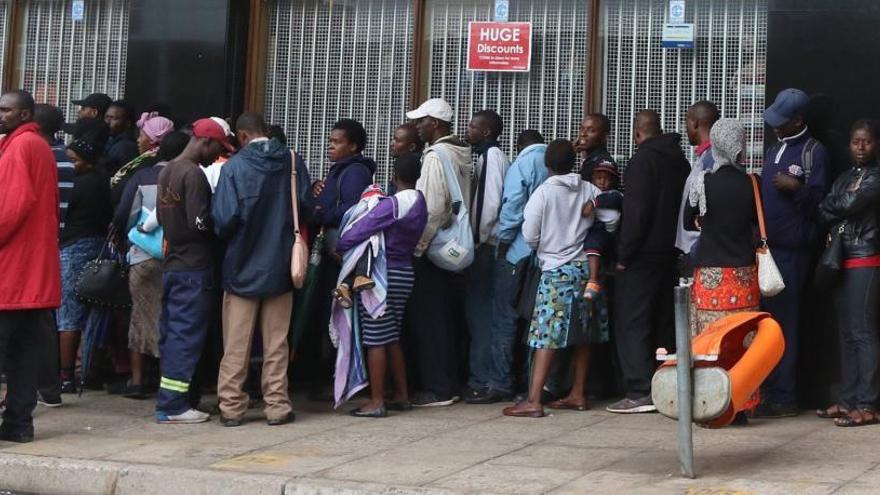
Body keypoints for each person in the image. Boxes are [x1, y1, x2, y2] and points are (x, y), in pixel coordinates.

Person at [502, 139, 602, 418]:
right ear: (575, 163)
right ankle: (578, 393)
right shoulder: (590, 189)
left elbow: (530, 233)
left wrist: (546, 246)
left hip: (555, 270)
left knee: (545, 336)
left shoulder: (543, 194)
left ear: (547, 165)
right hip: (585, 269)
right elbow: (609, 219)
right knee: (584, 332)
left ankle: (534, 399)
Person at [212, 112, 297, 427]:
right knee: (277, 342)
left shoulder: (233, 168)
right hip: (281, 265)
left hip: (242, 266)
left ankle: (232, 407)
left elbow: (223, 220)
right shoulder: (291, 161)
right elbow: (302, 204)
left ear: (243, 135)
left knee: (236, 342)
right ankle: (277, 405)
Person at [607, 110, 689, 414]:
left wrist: (623, 256)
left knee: (632, 320)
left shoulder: (643, 160)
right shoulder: (679, 161)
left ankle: (639, 389)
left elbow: (637, 213)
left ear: (637, 132)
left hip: (641, 255)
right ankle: (664, 383)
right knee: (663, 320)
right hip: (670, 251)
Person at [336, 153, 428, 417]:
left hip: (381, 276)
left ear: (394, 176)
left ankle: (376, 401)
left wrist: (340, 243)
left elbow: (362, 228)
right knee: (392, 337)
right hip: (405, 273)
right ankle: (402, 395)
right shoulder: (420, 202)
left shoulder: (393, 204)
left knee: (375, 338)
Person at [155, 117, 234, 424]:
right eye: (218, 148)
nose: (218, 155)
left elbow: (165, 219)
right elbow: (199, 223)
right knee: (186, 336)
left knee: (173, 333)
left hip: (173, 264)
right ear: (205, 141)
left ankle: (176, 399)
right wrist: (220, 219)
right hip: (194, 268)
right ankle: (174, 404)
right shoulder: (194, 175)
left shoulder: (168, 171)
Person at [757, 88, 829, 418]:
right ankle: (768, 388)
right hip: (768, 251)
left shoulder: (815, 152)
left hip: (794, 253)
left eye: (782, 122)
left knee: (785, 324)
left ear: (797, 120)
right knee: (768, 324)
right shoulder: (773, 150)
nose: (776, 127)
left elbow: (821, 204)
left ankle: (783, 395)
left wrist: (796, 188)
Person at [0, 90, 61, 443]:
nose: (1, 114)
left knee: (16, 354)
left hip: (12, 274)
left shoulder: (20, 147)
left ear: (25, 115)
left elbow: (10, 206)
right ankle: (18, 424)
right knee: (23, 357)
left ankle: (17, 423)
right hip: (32, 276)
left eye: (7, 110)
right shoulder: (37, 146)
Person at [404, 98, 473, 407]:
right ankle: (450, 382)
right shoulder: (461, 153)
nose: (417, 126)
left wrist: (417, 247)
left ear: (435, 124)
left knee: (430, 319)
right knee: (446, 316)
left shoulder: (435, 156)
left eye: (422, 120)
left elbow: (431, 208)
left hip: (434, 248)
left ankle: (437, 387)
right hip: (454, 249)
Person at [112, 131, 190, 399]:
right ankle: (165, 380)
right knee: (173, 318)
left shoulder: (142, 177)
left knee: (140, 316)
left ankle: (136, 380)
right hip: (179, 258)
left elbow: (124, 214)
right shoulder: (191, 176)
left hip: (143, 257)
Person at [816, 119, 880, 427]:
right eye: (856, 141)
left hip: (866, 258)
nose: (861, 147)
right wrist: (838, 204)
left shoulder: (877, 177)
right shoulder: (843, 176)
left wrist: (837, 204)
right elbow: (823, 208)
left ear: (875, 144)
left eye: (867, 141)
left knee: (863, 333)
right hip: (840, 260)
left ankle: (867, 403)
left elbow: (850, 202)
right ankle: (849, 399)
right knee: (846, 333)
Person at [480, 130, 547, 404]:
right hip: (542, 256)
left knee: (505, 320)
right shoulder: (550, 161)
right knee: (533, 321)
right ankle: (528, 381)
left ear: (519, 145)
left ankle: (500, 382)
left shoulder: (522, 163)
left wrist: (504, 243)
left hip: (516, 253)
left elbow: (512, 207)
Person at [683, 119, 759, 335]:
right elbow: (757, 222)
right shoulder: (753, 183)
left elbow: (686, 221)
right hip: (744, 275)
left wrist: (705, 223)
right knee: (743, 341)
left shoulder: (702, 182)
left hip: (710, 277)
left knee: (710, 342)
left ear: (715, 145)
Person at [56, 132, 112, 394]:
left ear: (87, 162)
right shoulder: (103, 183)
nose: (70, 165)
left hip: (73, 248)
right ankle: (88, 372)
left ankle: (66, 375)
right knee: (94, 314)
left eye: (74, 160)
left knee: (68, 315)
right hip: (98, 249)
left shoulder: (78, 186)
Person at [463, 110, 509, 403]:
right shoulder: (483, 155)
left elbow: (489, 204)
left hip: (487, 245)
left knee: (482, 316)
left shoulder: (492, 156)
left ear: (487, 132)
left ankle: (483, 379)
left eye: (473, 126)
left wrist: (477, 239)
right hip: (486, 244)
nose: (468, 130)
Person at [32, 104, 70, 407]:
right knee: (43, 319)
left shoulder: (27, 153)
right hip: (56, 244)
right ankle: (49, 386)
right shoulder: (68, 159)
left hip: (32, 247)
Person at [675, 101, 720, 267]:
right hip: (695, 247)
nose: (685, 127)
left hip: (700, 248)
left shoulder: (712, 159)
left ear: (694, 122)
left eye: (686, 121)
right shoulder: (705, 157)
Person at [110, 112, 175, 207]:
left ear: (152, 139)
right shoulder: (146, 158)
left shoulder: (151, 162)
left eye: (141, 136)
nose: (138, 140)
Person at [575, 113, 615, 181]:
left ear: (604, 136)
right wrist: (570, 153)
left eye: (591, 130)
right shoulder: (590, 160)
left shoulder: (603, 164)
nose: (583, 134)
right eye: (581, 129)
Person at [103, 100, 139, 175]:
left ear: (127, 123)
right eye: (106, 117)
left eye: (114, 118)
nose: (107, 121)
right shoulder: (108, 141)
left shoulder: (126, 147)